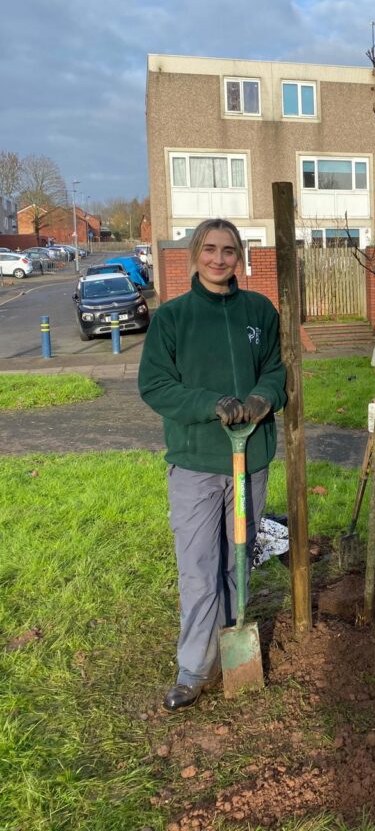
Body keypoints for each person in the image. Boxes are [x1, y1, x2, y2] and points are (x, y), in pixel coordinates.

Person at [139, 218, 286, 711]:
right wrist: (210, 403)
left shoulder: (259, 311)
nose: (219, 259)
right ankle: (195, 667)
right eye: (210, 249)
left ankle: (233, 642)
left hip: (251, 458)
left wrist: (264, 398)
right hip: (197, 459)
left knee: (238, 559)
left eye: (228, 250)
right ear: (194, 254)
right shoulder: (172, 318)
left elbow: (275, 369)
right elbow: (155, 385)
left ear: (239, 256)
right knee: (199, 565)